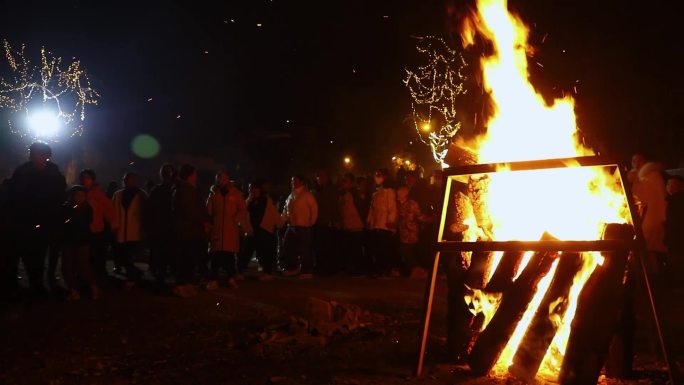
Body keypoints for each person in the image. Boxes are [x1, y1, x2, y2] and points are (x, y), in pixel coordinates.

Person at [6, 142, 66, 294]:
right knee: (27, 254)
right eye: (33, 154)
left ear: (47, 156)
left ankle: (38, 282)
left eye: (39, 154)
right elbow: (15, 196)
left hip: (46, 221)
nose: (36, 157)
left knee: (40, 255)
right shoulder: (23, 171)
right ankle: (27, 284)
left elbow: (59, 195)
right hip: (25, 221)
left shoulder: (54, 172)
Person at [206, 171, 248, 290]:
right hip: (217, 229)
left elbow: (242, 209)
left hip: (230, 229)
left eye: (224, 178)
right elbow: (208, 211)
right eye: (219, 179)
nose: (222, 181)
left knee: (229, 257)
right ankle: (213, 280)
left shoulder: (236, 193)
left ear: (228, 179)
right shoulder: (213, 194)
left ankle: (231, 278)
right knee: (215, 257)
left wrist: (235, 219)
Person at [173, 164, 210, 297]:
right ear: (190, 175)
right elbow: (191, 210)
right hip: (189, 230)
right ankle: (181, 286)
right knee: (187, 259)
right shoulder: (186, 189)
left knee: (188, 259)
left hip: (189, 230)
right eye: (195, 173)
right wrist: (203, 221)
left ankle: (185, 284)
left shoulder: (185, 188)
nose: (197, 176)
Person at [628, 154, 668, 275]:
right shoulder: (640, 178)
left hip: (654, 218)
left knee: (649, 249)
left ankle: (654, 279)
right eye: (634, 160)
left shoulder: (652, 176)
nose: (636, 162)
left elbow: (655, 196)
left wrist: (633, 182)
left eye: (639, 159)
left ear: (645, 161)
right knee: (648, 249)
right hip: (648, 218)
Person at [61, 186, 100, 300]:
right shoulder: (66, 207)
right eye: (78, 195)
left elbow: (86, 222)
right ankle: (73, 291)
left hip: (82, 241)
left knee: (83, 266)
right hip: (68, 241)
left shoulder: (87, 208)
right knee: (67, 267)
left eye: (83, 195)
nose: (80, 198)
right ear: (72, 196)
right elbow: (64, 221)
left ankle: (94, 288)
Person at [79, 169, 117, 286]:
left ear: (93, 179)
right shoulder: (79, 193)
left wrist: (113, 224)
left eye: (88, 178)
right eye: (84, 178)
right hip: (82, 232)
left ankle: (98, 281)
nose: (86, 180)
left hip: (96, 231)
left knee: (97, 258)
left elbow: (109, 211)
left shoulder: (98, 195)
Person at [112, 172, 147, 286]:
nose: (128, 181)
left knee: (128, 256)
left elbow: (145, 213)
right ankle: (134, 274)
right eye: (126, 179)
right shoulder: (118, 194)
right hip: (122, 230)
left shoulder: (141, 195)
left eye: (130, 179)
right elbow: (114, 212)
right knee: (124, 255)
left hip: (135, 231)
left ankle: (132, 276)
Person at [145, 164, 177, 284]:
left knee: (168, 253)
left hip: (170, 227)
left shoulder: (175, 189)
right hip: (160, 227)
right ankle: (160, 275)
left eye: (168, 172)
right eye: (165, 173)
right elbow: (150, 210)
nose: (167, 175)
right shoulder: (158, 190)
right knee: (160, 254)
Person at [281, 175, 318, 278]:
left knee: (304, 248)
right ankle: (292, 268)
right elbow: (286, 210)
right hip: (291, 225)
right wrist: (282, 220)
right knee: (288, 246)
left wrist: (311, 222)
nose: (292, 183)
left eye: (295, 181)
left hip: (303, 226)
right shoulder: (291, 195)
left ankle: (307, 270)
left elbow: (314, 209)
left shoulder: (307, 195)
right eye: (292, 181)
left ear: (301, 182)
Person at [245, 181, 282, 280]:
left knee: (264, 252)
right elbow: (244, 213)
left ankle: (268, 272)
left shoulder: (266, 200)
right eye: (251, 188)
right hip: (252, 229)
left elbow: (273, 213)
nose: (253, 190)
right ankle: (241, 270)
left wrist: (279, 223)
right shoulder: (249, 201)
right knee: (247, 250)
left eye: (255, 188)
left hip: (263, 229)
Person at [367, 168, 398, 277]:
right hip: (376, 225)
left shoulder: (389, 191)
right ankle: (379, 269)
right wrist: (369, 221)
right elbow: (372, 209)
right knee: (377, 249)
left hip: (385, 226)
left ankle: (387, 270)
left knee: (385, 249)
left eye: (379, 175)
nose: (377, 177)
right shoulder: (375, 193)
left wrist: (390, 222)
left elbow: (392, 208)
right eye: (376, 175)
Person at [312, 170, 340, 275]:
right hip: (317, 222)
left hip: (328, 223)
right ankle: (320, 267)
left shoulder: (331, 191)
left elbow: (334, 206)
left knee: (328, 247)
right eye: (319, 177)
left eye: (323, 177)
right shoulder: (314, 191)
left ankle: (328, 268)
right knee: (319, 247)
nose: (321, 179)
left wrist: (336, 220)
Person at [338, 173, 366, 275]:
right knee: (348, 249)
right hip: (347, 226)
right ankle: (351, 269)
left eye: (346, 181)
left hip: (356, 225)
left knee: (356, 249)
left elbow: (361, 208)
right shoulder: (343, 194)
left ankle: (358, 270)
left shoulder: (355, 194)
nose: (343, 183)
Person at [396, 186, 427, 278]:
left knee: (408, 252)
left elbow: (419, 215)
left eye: (400, 193)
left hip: (411, 233)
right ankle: (413, 271)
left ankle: (419, 271)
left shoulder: (412, 204)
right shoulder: (398, 204)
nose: (398, 195)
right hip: (402, 233)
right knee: (405, 252)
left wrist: (429, 219)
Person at [665, 175, 684, 288]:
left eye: (673, 185)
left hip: (678, 240)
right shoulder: (672, 201)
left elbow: (676, 223)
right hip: (675, 239)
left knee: (678, 265)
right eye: (668, 184)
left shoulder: (677, 201)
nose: (669, 187)